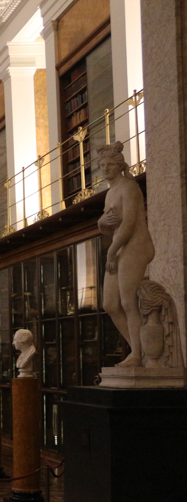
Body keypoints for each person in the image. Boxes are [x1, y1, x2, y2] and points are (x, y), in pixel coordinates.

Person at [96, 141, 154, 367]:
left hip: (135, 245)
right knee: (110, 304)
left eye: (110, 164)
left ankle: (138, 355)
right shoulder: (110, 193)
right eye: (102, 165)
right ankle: (139, 350)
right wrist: (101, 222)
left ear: (120, 166)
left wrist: (111, 251)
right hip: (119, 248)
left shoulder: (129, 187)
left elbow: (129, 223)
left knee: (129, 301)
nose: (106, 168)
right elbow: (106, 225)